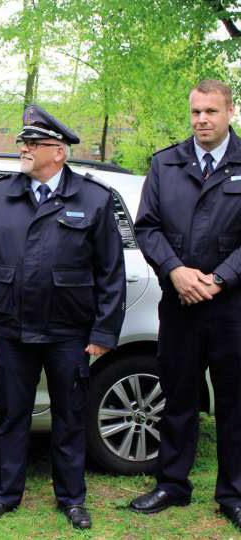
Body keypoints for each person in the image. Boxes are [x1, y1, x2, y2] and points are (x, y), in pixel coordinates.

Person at [0, 105, 126, 530]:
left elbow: (110, 271)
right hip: (12, 328)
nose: (24, 149)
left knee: (70, 417)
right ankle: (4, 494)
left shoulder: (93, 198)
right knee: (11, 416)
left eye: (34, 143)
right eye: (23, 142)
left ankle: (72, 498)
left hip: (69, 331)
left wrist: (104, 330)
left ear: (59, 152)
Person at [130, 79, 241, 530]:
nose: (202, 120)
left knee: (234, 402)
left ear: (230, 111)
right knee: (177, 397)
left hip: (232, 307)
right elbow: (147, 227)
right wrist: (175, 270)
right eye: (196, 112)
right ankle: (172, 484)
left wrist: (220, 279)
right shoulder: (166, 164)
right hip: (180, 305)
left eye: (211, 111)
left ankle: (233, 493)